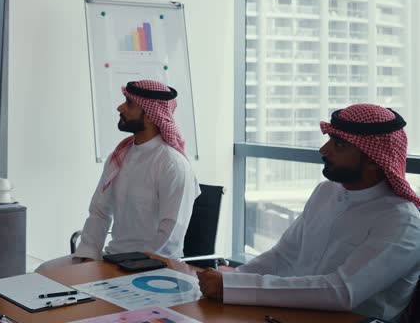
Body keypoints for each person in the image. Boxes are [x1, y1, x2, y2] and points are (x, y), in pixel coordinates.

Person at [198, 104, 420, 321]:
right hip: (290, 313)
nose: (324, 150)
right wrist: (231, 279)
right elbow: (283, 256)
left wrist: (232, 288)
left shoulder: (402, 222)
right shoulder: (326, 191)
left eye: (339, 144)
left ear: (374, 161)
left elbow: (341, 292)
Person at [46, 80, 199, 268]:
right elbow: (99, 212)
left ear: (151, 115)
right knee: (44, 271)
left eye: (129, 103)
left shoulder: (172, 164)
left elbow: (171, 235)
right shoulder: (120, 155)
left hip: (153, 267)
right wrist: (89, 258)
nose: (120, 108)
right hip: (114, 259)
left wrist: (137, 266)